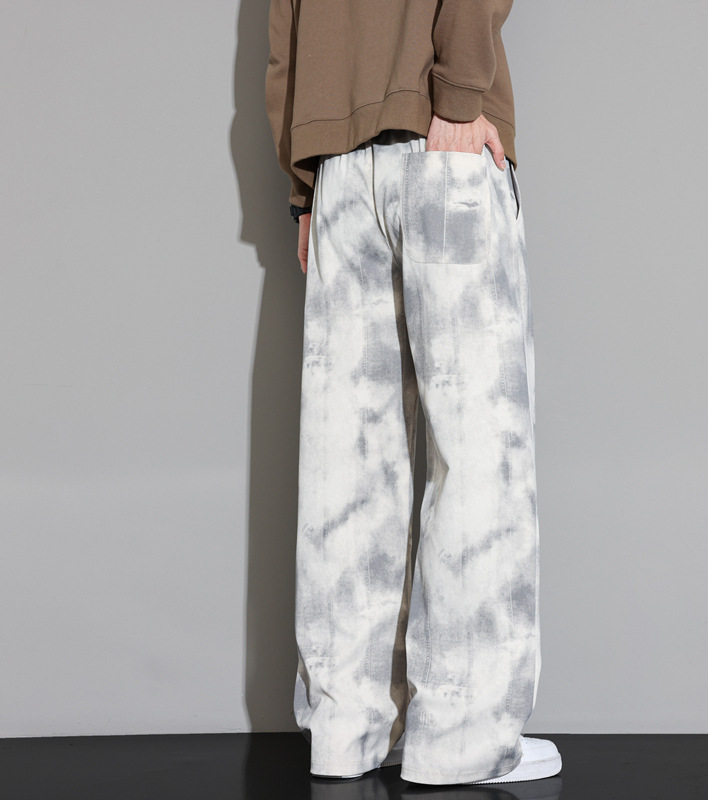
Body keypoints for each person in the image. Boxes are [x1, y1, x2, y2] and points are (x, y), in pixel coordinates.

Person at [265, 0, 562, 786]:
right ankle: (463, 740)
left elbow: (284, 30)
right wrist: (460, 97)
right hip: (441, 140)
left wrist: (305, 181)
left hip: (337, 167)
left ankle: (346, 731)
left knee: (346, 470)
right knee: (477, 455)